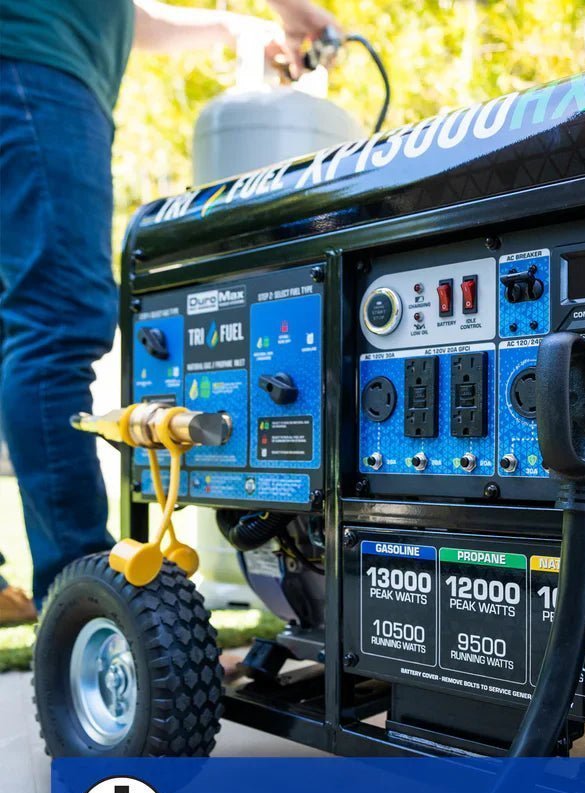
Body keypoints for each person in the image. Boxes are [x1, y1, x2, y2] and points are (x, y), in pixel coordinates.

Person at [0, 0, 339, 609]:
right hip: (32, 74)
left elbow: (126, 17)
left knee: (27, 326)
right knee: (58, 321)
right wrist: (299, 14)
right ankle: (81, 597)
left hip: (29, 68)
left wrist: (234, 28)